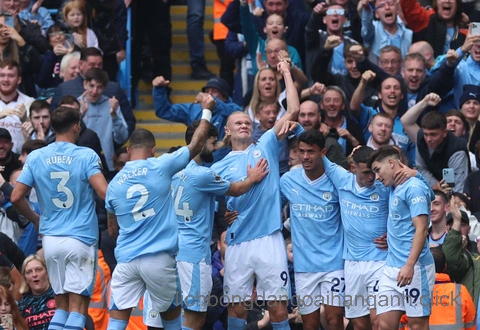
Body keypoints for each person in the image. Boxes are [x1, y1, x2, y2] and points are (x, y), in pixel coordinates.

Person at [105, 95, 216, 330]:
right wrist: (206, 111)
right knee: (172, 320)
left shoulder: (114, 184)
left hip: (125, 260)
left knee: (116, 321)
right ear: (153, 150)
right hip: (158, 258)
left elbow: (112, 228)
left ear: (128, 149)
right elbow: (196, 145)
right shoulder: (159, 165)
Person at [210, 60, 300, 330]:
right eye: (237, 122)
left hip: (270, 238)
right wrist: (221, 213)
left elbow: (294, 110)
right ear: (226, 130)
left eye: (247, 122)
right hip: (237, 242)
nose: (244, 125)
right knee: (236, 306)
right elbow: (210, 203)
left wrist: (285, 72)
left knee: (278, 306)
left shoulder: (267, 144)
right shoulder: (218, 166)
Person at [11, 106, 108, 330]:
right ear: (76, 126)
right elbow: (104, 193)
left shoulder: (36, 157)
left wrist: (36, 219)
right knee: (78, 309)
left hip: (51, 241)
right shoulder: (85, 155)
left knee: (61, 308)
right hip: (80, 238)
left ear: (53, 127)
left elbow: (16, 196)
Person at [172, 120, 268, 330]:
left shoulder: (174, 170)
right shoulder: (202, 174)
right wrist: (252, 178)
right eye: (213, 143)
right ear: (202, 142)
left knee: (175, 317)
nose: (215, 148)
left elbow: (201, 198)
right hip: (194, 254)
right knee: (196, 317)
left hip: (173, 251)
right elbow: (236, 189)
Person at [280, 129, 344, 330]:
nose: (305, 157)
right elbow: (270, 209)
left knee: (334, 321)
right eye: (302, 151)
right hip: (304, 266)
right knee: (309, 324)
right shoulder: (288, 180)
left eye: (311, 152)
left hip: (334, 263)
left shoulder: (336, 181)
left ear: (322, 152)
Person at [368, 146, 435, 330]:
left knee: (417, 326)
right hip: (391, 268)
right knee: (383, 325)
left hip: (415, 268)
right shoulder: (394, 186)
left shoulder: (414, 187)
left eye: (377, 170)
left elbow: (421, 229)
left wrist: (409, 265)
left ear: (391, 163)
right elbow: (432, 194)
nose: (377, 177)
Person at [50, 47, 135, 136]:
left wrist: (112, 143)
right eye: (92, 64)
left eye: (99, 65)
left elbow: (129, 121)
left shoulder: (114, 89)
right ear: (80, 64)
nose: (96, 68)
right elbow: (53, 119)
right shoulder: (64, 88)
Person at [154, 76, 241, 161]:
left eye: (214, 91)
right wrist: (159, 89)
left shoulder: (232, 108)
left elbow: (237, 118)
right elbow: (165, 111)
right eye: (207, 91)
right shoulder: (193, 109)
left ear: (224, 96)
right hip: (197, 162)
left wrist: (213, 102)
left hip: (224, 162)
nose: (209, 94)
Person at [401, 93, 470, 192]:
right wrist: (424, 102)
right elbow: (421, 168)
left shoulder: (457, 149)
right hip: (433, 190)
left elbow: (459, 189)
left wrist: (443, 191)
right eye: (426, 134)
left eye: (433, 135)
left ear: (445, 133)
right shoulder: (421, 137)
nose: (428, 139)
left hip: (455, 192)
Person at [79, 68, 128, 173]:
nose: (95, 91)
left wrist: (114, 116)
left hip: (105, 165)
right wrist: (81, 114)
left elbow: (122, 138)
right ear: (85, 84)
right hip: (80, 164)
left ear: (105, 87)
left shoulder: (111, 105)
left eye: (99, 87)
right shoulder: (76, 104)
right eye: (91, 86)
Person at [18, 255, 56, 330]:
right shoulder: (22, 304)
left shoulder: (59, 295)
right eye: (29, 272)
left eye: (38, 270)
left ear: (47, 273)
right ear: (25, 278)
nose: (34, 274)